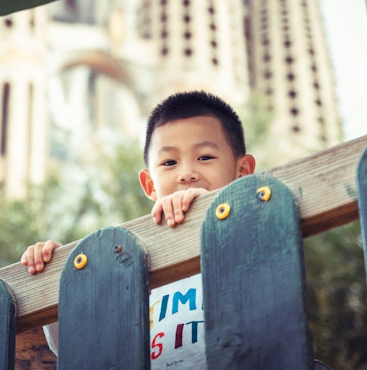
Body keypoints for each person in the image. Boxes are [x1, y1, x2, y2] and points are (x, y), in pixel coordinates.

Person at [21, 90, 256, 367]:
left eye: (205, 157)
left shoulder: (255, 228)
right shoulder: (130, 264)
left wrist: (212, 213)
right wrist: (60, 278)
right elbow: (80, 344)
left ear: (242, 172)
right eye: (169, 162)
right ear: (150, 185)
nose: (187, 174)